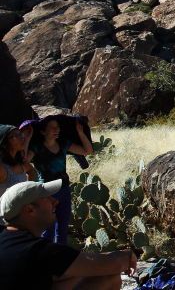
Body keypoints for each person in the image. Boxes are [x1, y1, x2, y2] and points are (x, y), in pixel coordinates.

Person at [0, 179, 137, 290]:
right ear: (30, 210)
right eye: (47, 198)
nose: (55, 201)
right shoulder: (37, 250)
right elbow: (113, 264)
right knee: (109, 277)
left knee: (75, 275)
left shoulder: (6, 240)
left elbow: (75, 266)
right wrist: (128, 255)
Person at [29, 117, 93, 245]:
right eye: (52, 127)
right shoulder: (37, 148)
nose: (56, 130)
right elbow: (24, 160)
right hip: (46, 192)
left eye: (57, 127)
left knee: (62, 227)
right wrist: (28, 137)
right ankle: (45, 258)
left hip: (63, 188)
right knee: (48, 229)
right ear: (42, 132)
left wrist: (80, 132)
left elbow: (88, 151)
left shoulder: (63, 143)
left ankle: (59, 258)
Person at [0, 124, 37, 197]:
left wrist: (29, 191)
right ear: (5, 142)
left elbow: (32, 172)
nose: (22, 137)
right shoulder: (2, 168)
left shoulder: (21, 163)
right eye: (16, 135)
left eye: (20, 134)